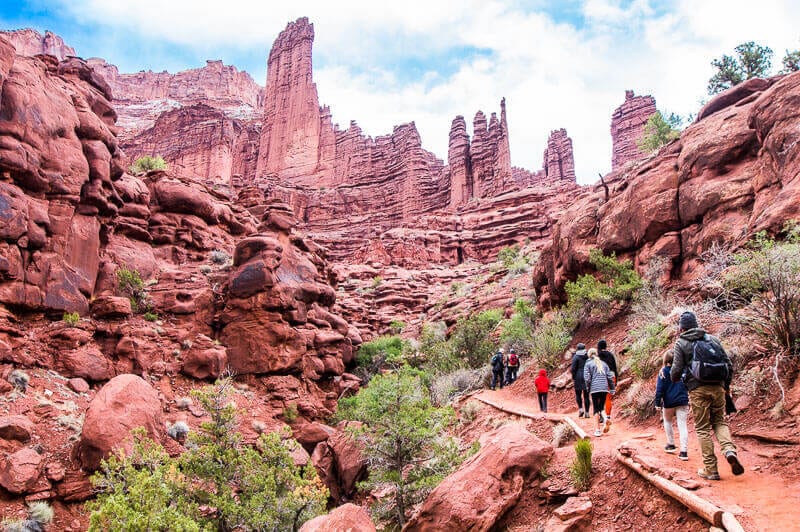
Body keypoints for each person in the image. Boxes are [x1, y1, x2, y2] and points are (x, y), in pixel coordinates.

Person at [671, 311, 743, 480]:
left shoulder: (681, 342)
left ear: (681, 328)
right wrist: (725, 386)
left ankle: (711, 469)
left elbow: (675, 371)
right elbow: (729, 364)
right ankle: (729, 450)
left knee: (703, 428)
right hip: (718, 387)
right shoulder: (712, 339)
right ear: (696, 324)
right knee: (719, 421)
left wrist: (679, 378)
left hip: (698, 390)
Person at [655, 351, 690, 460]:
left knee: (667, 421)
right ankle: (684, 451)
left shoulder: (663, 372)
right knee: (682, 425)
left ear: (665, 359)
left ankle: (671, 444)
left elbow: (659, 389)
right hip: (683, 400)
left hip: (669, 402)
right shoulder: (683, 370)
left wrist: (657, 403)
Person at [584, 348, 615, 436]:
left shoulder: (588, 364)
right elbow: (610, 377)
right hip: (604, 388)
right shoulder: (604, 364)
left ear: (589, 355)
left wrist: (588, 388)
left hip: (595, 388)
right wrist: (612, 388)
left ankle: (597, 430)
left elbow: (587, 378)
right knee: (601, 407)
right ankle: (605, 418)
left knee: (595, 409)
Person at [597, 339, 618, 425]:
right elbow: (615, 368)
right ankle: (608, 416)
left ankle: (601, 416)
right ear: (606, 346)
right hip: (611, 377)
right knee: (608, 398)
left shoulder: (597, 356)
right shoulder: (611, 355)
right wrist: (616, 379)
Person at [570, 344, 590, 417]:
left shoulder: (576, 357)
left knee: (578, 394)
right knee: (586, 396)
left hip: (578, 377)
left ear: (577, 349)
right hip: (587, 376)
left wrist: (573, 377)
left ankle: (581, 409)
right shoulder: (588, 355)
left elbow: (573, 369)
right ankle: (587, 412)